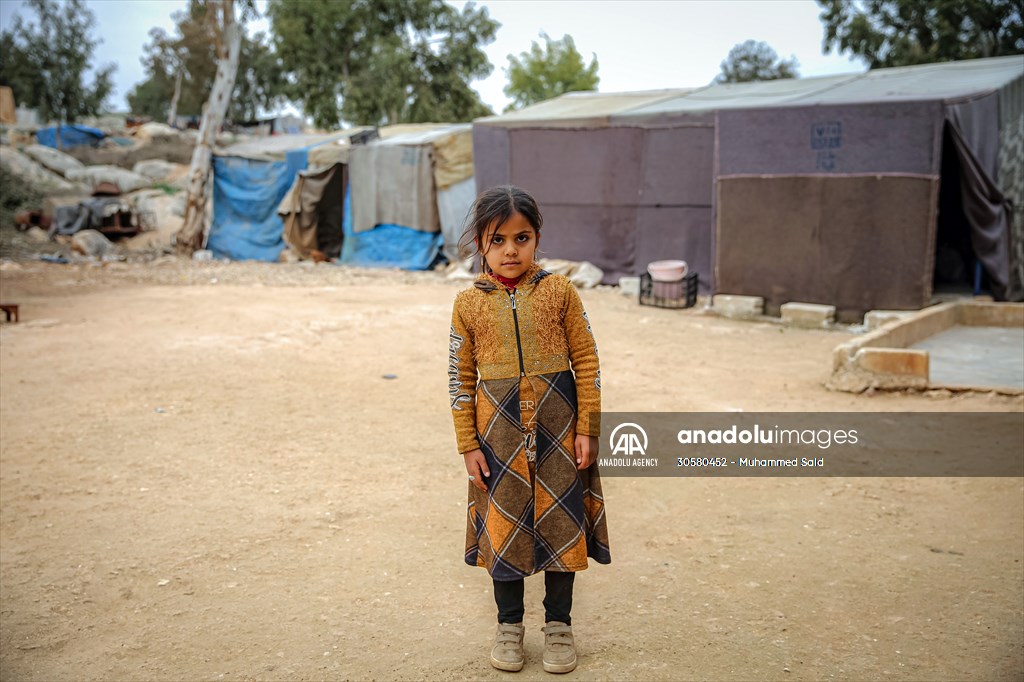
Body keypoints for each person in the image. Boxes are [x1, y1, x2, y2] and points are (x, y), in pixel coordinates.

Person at [448, 185, 611, 674]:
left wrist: (588, 427)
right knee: (506, 525)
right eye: (498, 240)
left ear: (537, 238)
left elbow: (586, 360)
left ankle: (559, 627)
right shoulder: (467, 304)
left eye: (522, 238)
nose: (511, 250)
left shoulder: (561, 292)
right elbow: (460, 378)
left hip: (560, 430)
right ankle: (509, 626)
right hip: (496, 438)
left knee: (563, 523)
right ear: (481, 243)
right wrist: (467, 444)